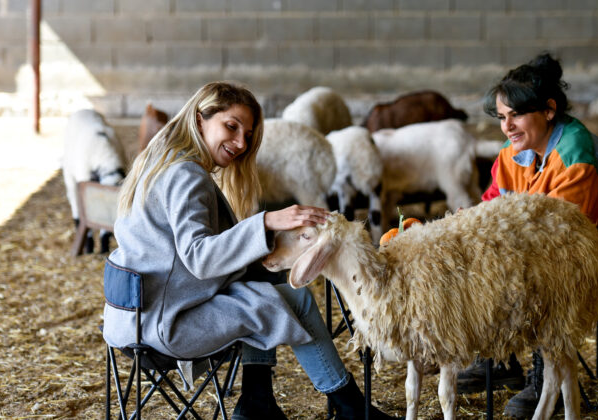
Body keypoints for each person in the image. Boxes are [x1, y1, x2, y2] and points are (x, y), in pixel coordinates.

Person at [102, 81, 398, 420]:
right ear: (200, 120)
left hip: (130, 318)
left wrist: (262, 247)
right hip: (168, 325)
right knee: (294, 300)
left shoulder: (157, 161)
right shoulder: (187, 176)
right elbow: (199, 258)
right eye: (231, 126)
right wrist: (266, 221)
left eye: (247, 134)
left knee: (261, 287)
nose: (241, 143)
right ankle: (350, 409)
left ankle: (259, 402)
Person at [457, 53, 598, 418]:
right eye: (502, 118)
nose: (507, 127)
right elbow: (489, 212)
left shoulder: (575, 155)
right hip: (578, 261)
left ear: (549, 110)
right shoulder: (512, 154)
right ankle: (500, 358)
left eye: (516, 115)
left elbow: (563, 245)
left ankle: (546, 377)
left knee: (542, 274)